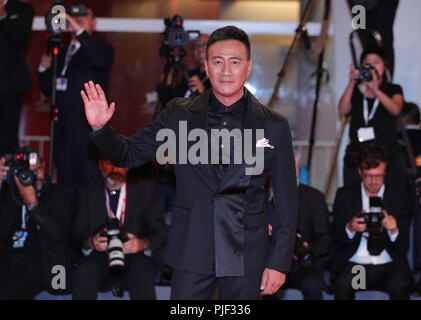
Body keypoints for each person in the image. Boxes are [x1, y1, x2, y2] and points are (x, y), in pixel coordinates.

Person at [80, 26, 298, 300]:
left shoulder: (274, 125)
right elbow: (129, 154)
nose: (226, 71)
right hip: (193, 246)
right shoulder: (179, 114)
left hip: (247, 252)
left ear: (248, 68)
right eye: (218, 62)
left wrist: (278, 263)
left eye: (235, 62)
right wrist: (102, 129)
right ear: (206, 67)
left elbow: (287, 201)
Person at [38, 2, 114, 191]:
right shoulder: (61, 51)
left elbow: (100, 61)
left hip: (86, 131)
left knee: (89, 185)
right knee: (64, 185)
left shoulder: (103, 49)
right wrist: (44, 69)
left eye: (83, 16)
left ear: (94, 23)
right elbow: (50, 90)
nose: (77, 18)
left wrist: (79, 30)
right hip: (62, 130)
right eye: (73, 15)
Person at [72, 158, 167, 300]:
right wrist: (92, 242)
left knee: (141, 272)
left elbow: (161, 232)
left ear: (128, 167)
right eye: (109, 163)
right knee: (84, 271)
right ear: (100, 165)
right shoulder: (86, 190)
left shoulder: (145, 189)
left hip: (135, 256)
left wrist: (142, 243)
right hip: (100, 256)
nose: (115, 169)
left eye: (120, 164)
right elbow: (76, 233)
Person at [332, 146, 413, 300]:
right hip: (358, 268)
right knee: (343, 286)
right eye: (369, 176)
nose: (374, 182)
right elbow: (335, 238)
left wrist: (394, 230)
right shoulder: (345, 195)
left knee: (400, 286)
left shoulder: (398, 197)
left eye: (379, 176)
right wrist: (350, 228)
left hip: (388, 266)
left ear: (385, 174)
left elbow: (403, 248)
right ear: (360, 173)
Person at [0, 146, 74, 299]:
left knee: (11, 290)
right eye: (27, 172)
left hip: (43, 261)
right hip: (9, 258)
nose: (33, 177)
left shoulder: (60, 194)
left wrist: (33, 203)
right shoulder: (11, 193)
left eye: (37, 170)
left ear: (44, 165)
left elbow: (57, 235)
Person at [339, 46, 406, 192]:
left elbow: (396, 109)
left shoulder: (393, 89)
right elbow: (343, 110)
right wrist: (351, 83)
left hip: (386, 156)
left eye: (376, 62)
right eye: (367, 63)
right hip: (358, 157)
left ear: (385, 67)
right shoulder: (356, 89)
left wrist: (375, 90)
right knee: (353, 195)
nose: (371, 66)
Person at [267, 153, 330, 300]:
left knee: (313, 284)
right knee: (257, 282)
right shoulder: (262, 197)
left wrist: (307, 247)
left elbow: (325, 240)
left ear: (296, 171)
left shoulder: (314, 198)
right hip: (268, 262)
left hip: (302, 264)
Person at [0, 0, 34, 157]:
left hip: (10, 84)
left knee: (7, 137)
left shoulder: (23, 9)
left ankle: (7, 178)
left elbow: (20, 40)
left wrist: (4, 17)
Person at [157, 34, 211, 107]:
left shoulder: (220, 77)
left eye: (205, 45)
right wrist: (166, 85)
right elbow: (170, 104)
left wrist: (203, 91)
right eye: (196, 46)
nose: (200, 50)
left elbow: (221, 109)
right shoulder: (189, 75)